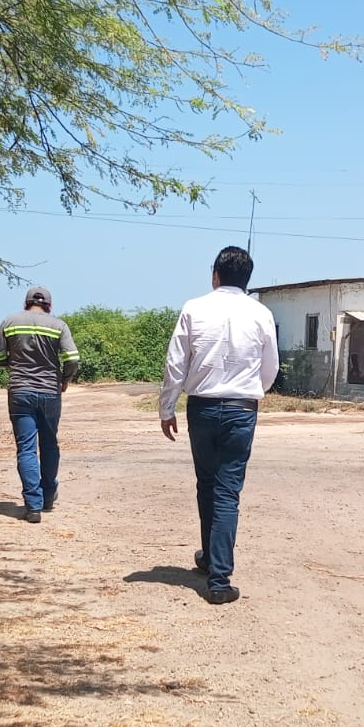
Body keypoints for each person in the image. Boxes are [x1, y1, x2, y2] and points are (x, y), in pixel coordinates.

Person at [158, 246, 279, 604]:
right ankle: (219, 578)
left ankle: (212, 561)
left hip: (202, 409)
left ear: (215, 274)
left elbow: (176, 363)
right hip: (242, 409)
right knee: (227, 491)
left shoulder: (193, 308)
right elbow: (270, 367)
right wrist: (252, 392)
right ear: (248, 279)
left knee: (207, 484)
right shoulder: (261, 313)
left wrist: (167, 407)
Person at [0, 285, 80, 523]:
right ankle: (48, 496)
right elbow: (72, 358)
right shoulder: (58, 325)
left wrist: (14, 363)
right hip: (50, 391)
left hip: (20, 391)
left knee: (26, 449)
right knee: (49, 444)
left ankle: (33, 507)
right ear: (49, 306)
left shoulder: (10, 321)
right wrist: (65, 379)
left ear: (25, 303)